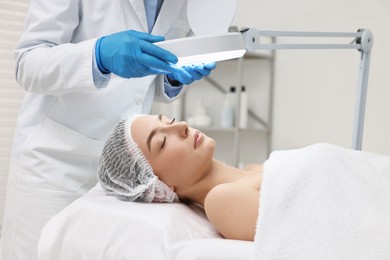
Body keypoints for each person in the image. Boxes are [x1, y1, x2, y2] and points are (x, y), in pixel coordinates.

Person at [1, 1, 216, 259]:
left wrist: (173, 77)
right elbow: (28, 63)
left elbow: (148, 84)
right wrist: (98, 56)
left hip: (125, 170)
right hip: (56, 161)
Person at [98, 114, 262, 241]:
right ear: (160, 188)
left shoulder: (252, 169)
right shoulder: (220, 201)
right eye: (162, 141)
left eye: (170, 121)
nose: (182, 125)